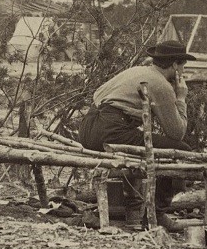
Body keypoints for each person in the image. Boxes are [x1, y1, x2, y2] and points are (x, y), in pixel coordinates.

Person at [78, 40, 195, 231]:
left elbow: (99, 94)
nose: (182, 71)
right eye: (182, 66)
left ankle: (132, 206)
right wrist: (180, 98)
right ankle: (156, 214)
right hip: (110, 131)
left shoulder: (137, 71)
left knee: (143, 139)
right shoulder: (160, 85)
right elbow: (177, 133)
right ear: (175, 65)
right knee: (180, 152)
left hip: (88, 128)